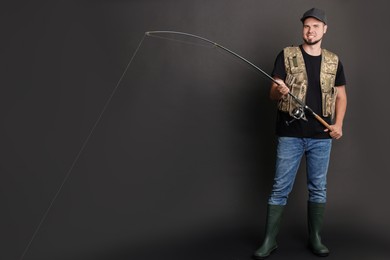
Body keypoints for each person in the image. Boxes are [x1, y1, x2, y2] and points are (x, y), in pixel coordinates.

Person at [253, 8, 347, 259]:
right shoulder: (286, 55)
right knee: (279, 188)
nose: (311, 30)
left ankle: (315, 239)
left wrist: (338, 124)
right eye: (307, 26)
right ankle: (269, 241)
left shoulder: (333, 60)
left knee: (318, 188)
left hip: (321, 136)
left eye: (316, 26)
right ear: (302, 29)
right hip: (290, 133)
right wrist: (279, 91)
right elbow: (272, 93)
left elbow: (341, 95)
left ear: (324, 29)